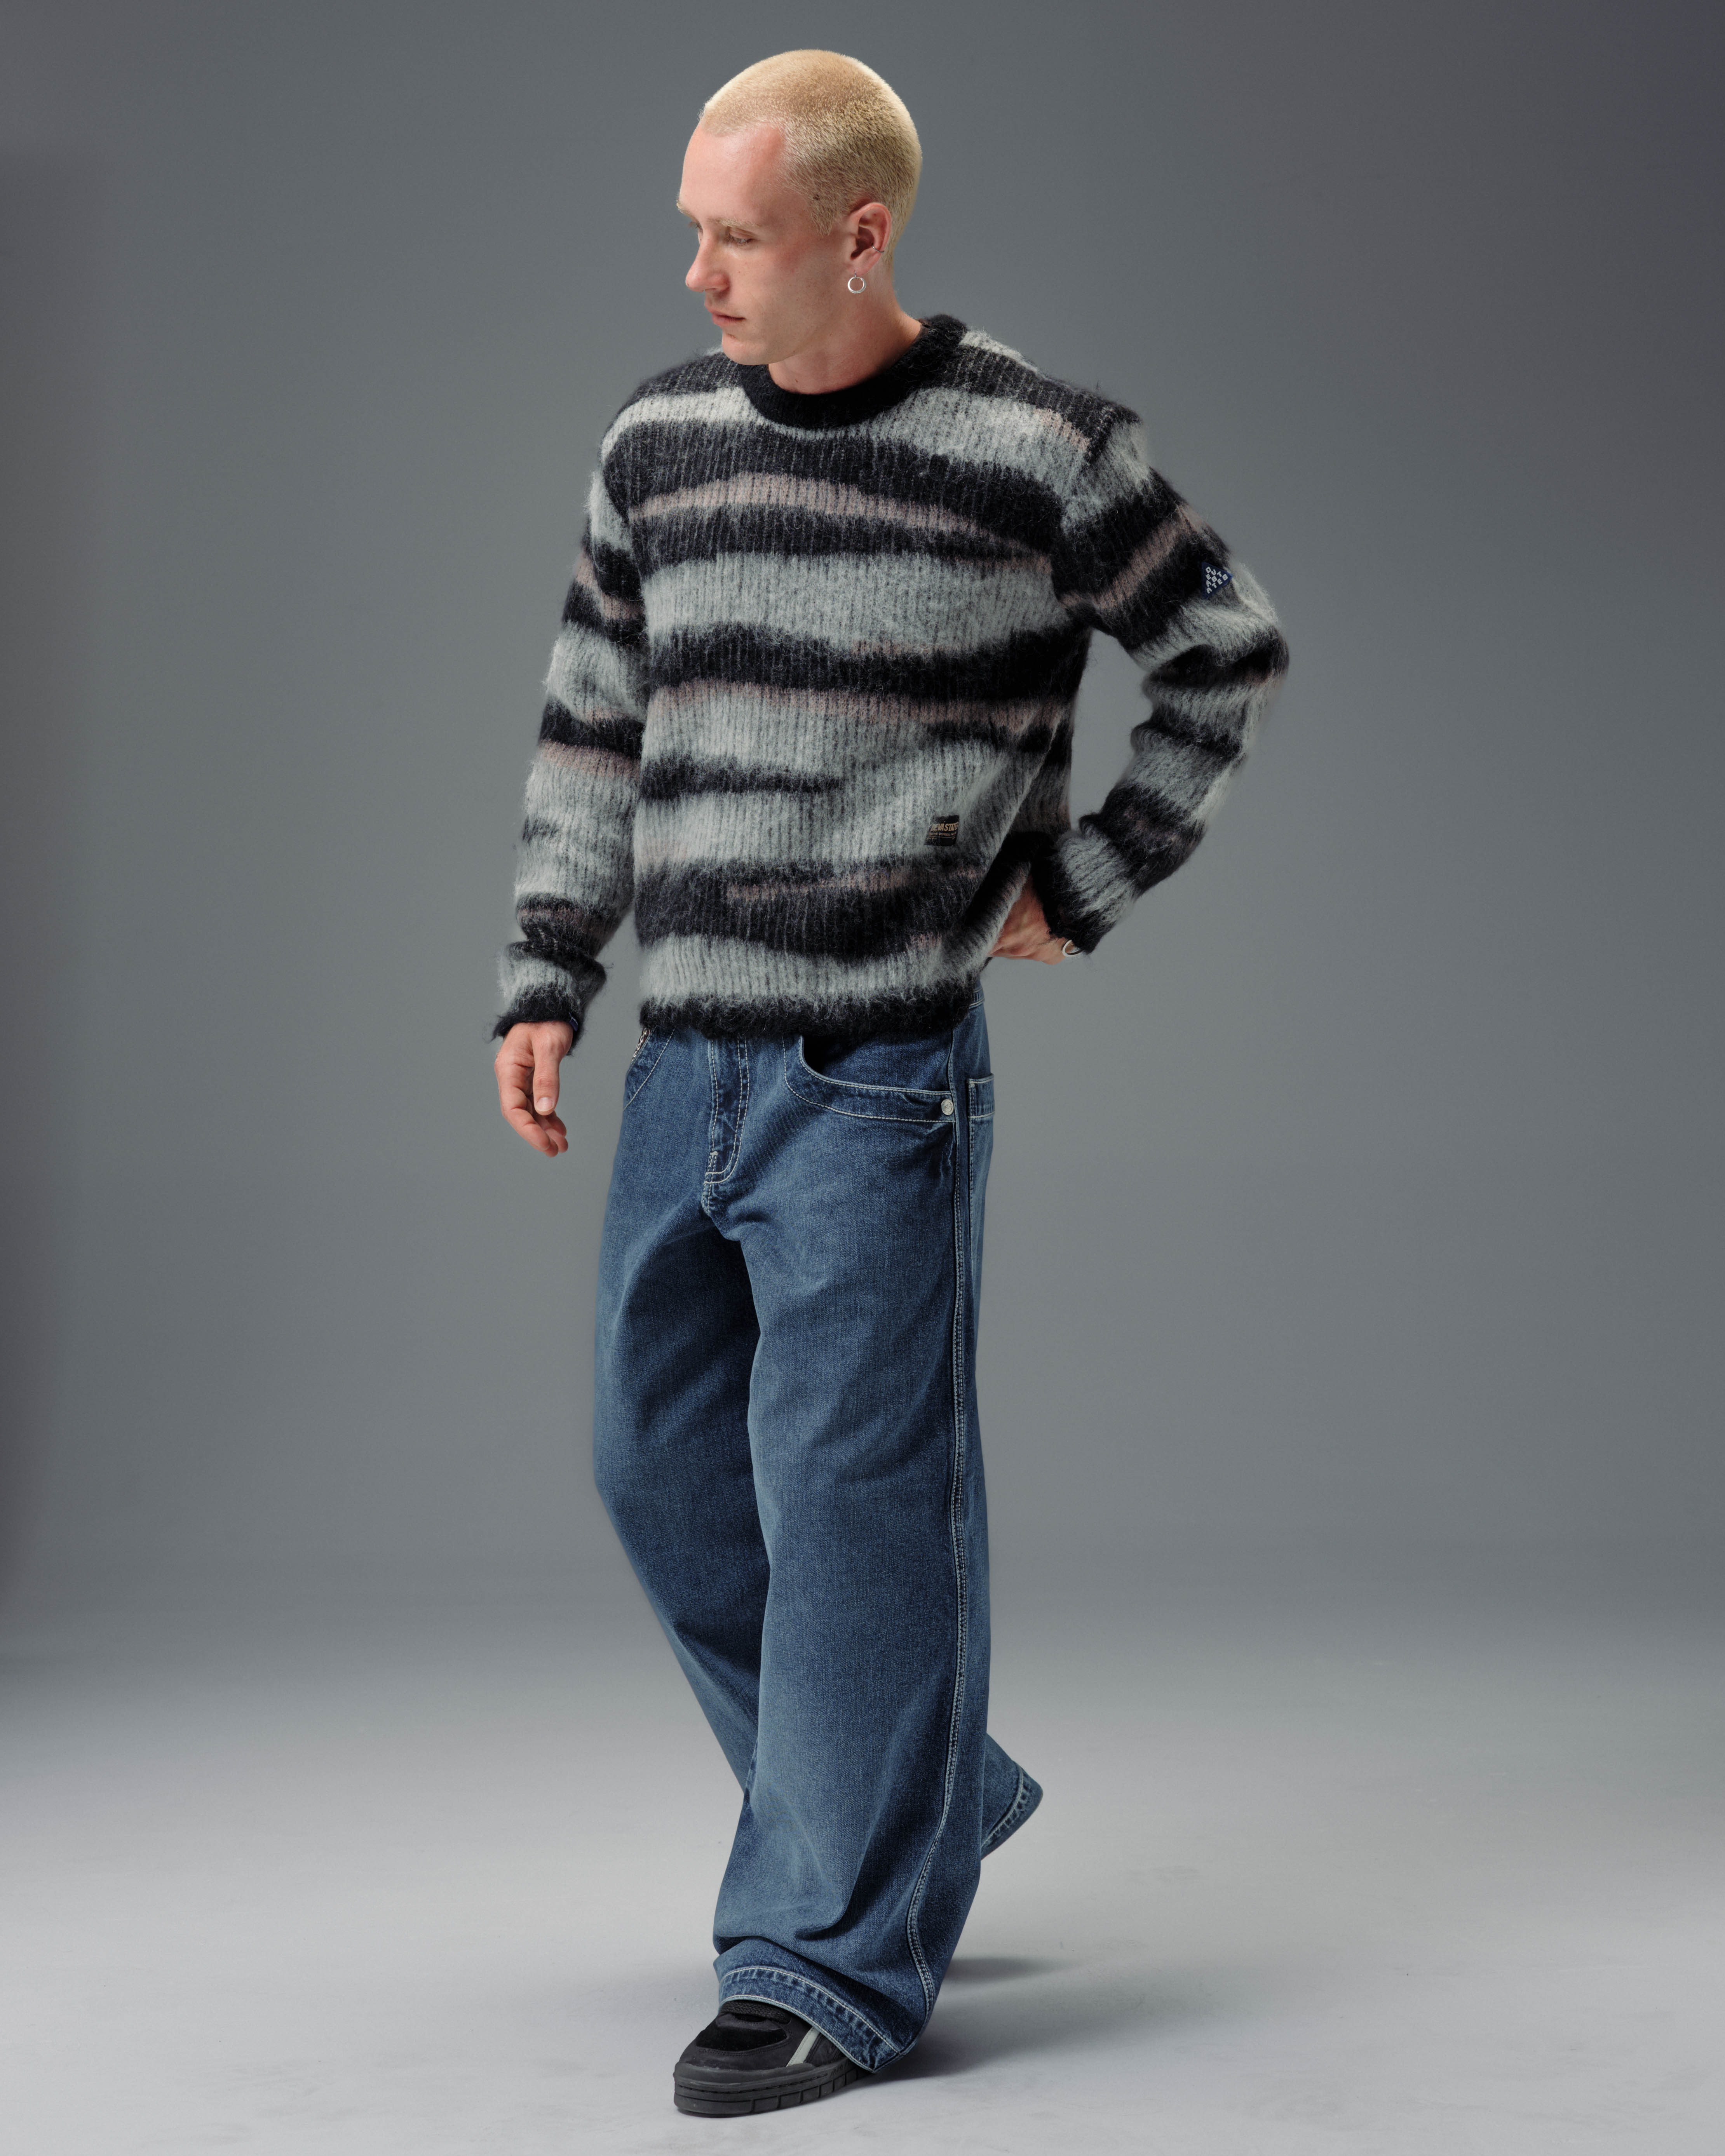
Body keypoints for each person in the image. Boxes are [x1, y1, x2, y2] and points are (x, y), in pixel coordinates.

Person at [491, 49, 1288, 2117]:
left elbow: (1224, 654)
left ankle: (827, 1962)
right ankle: (925, 1791)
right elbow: (592, 720)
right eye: (690, 229)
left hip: (872, 1080)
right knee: (657, 1471)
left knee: (852, 1513)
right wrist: (547, 973)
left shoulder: (1040, 452)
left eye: (735, 237)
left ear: (860, 236)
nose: (698, 275)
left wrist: (1087, 879)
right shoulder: (657, 445)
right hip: (684, 1063)